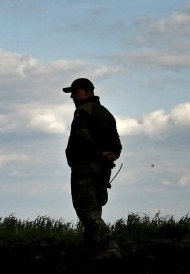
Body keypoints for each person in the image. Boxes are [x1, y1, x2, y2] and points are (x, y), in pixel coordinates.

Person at [64, 77, 122, 259]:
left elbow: (82, 140)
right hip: (103, 169)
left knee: (86, 209)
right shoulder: (105, 113)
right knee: (94, 207)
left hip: (86, 167)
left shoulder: (83, 112)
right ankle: (91, 248)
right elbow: (116, 143)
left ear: (87, 92)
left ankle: (108, 247)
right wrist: (109, 154)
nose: (72, 96)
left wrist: (98, 154)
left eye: (75, 92)